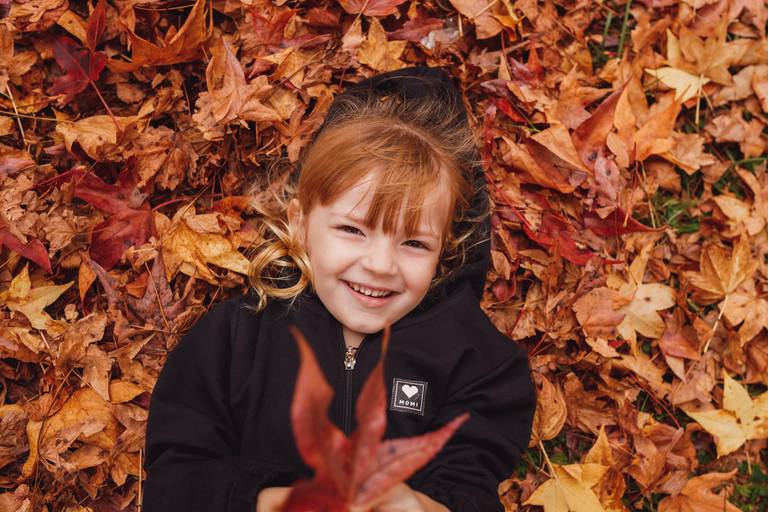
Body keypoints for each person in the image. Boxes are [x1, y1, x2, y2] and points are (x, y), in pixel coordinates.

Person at [141, 66, 536, 512]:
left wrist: (419, 507)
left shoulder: (479, 365)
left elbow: (471, 489)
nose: (380, 265)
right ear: (300, 223)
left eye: (413, 243)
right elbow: (174, 483)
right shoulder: (233, 341)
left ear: (444, 247)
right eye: (352, 230)